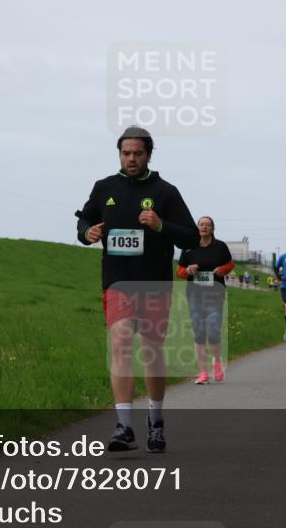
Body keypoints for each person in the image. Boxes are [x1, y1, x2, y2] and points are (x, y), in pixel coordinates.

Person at [76, 126, 199, 453]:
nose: (131, 159)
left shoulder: (165, 192)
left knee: (151, 352)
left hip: (154, 283)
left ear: (149, 155)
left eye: (137, 153)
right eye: (125, 153)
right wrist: (88, 232)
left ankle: (155, 420)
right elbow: (84, 221)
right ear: (120, 154)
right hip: (118, 282)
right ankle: (124, 426)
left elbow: (190, 236)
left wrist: (161, 225)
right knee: (120, 344)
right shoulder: (104, 188)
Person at [177, 216, 235, 385]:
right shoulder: (188, 248)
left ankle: (217, 361)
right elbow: (179, 272)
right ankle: (203, 372)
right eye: (201, 224)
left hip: (215, 294)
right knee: (199, 333)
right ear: (197, 228)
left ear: (212, 228)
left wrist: (222, 270)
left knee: (213, 332)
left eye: (207, 225)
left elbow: (230, 265)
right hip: (195, 295)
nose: (204, 227)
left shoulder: (220, 246)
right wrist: (188, 270)